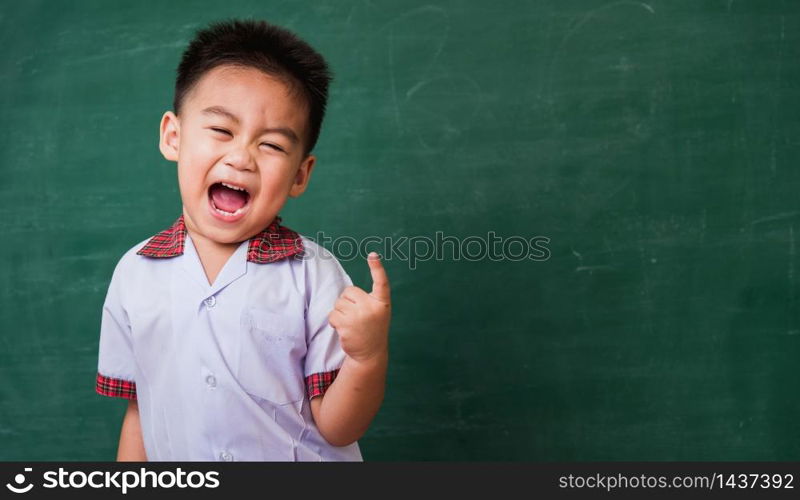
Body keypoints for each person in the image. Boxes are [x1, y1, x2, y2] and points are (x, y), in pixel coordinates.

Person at [95, 19, 391, 461]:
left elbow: (338, 426)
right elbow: (142, 408)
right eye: (221, 130)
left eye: (271, 145)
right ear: (173, 136)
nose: (240, 157)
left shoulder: (315, 275)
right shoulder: (135, 273)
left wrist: (368, 356)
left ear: (300, 175)